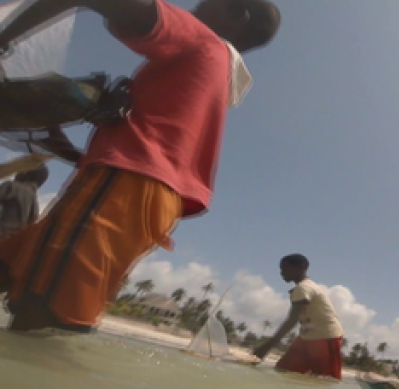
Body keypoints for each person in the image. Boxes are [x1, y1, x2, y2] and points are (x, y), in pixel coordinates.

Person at [0, 0, 281, 332]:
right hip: (142, 193)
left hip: (125, 186)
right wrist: (66, 147)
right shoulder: (216, 72)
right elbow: (151, 147)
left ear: (236, 16)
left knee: (40, 316)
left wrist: (5, 37)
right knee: (13, 269)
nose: (196, 5)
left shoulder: (206, 42)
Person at [252, 254, 346, 380]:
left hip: (326, 337)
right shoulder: (302, 288)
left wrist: (267, 346)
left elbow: (292, 320)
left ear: (301, 268)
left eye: (285, 269)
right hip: (306, 338)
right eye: (281, 269)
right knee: (283, 372)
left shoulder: (304, 288)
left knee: (325, 382)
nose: (282, 273)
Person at [0, 165, 48, 241]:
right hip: (10, 244)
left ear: (26, 173)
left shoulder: (12, 187)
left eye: (21, 169)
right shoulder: (36, 205)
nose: (17, 173)